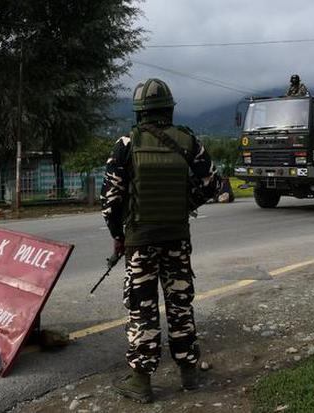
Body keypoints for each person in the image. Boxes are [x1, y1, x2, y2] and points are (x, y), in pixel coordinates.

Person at [101, 78, 220, 404]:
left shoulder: (126, 143)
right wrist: (186, 204)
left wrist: (118, 237)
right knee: (180, 305)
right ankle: (189, 375)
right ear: (169, 109)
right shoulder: (189, 141)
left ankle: (141, 382)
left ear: (139, 112)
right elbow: (213, 184)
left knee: (143, 309)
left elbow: (111, 201)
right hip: (177, 238)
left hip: (139, 241)